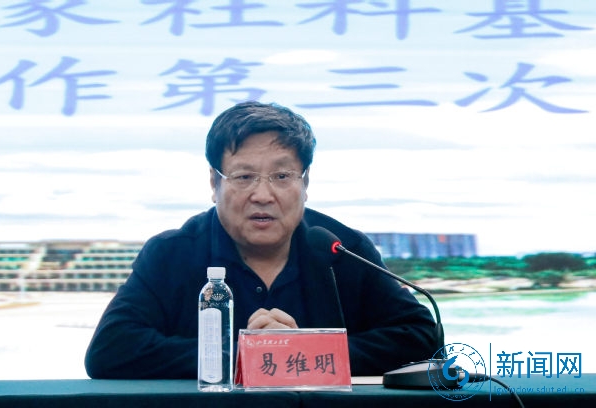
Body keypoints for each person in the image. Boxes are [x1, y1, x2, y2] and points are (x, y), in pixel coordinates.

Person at [84, 101, 437, 379]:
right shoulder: (171, 253)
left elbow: (423, 338)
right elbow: (111, 350)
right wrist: (247, 357)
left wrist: (304, 353)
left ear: (305, 183)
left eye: (282, 176)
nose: (263, 195)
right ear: (214, 184)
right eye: (244, 177)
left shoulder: (342, 248)